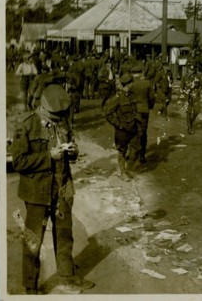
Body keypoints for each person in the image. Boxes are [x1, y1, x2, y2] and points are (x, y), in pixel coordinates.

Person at [11, 84, 95, 294]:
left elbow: (69, 148)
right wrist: (48, 155)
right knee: (33, 241)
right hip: (37, 193)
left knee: (65, 236)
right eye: (54, 116)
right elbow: (19, 162)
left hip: (62, 189)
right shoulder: (26, 125)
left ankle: (67, 277)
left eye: (60, 116)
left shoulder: (62, 122)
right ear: (44, 107)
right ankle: (31, 286)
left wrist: (73, 152)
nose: (58, 119)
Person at [103, 73, 138, 182]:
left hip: (132, 127)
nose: (133, 84)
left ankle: (127, 169)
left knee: (135, 150)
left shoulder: (132, 95)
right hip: (122, 130)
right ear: (128, 84)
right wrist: (118, 124)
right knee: (122, 151)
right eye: (132, 83)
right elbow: (107, 112)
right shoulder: (117, 98)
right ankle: (123, 172)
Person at [130, 66, 155, 163]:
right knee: (143, 133)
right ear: (141, 73)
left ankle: (131, 152)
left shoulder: (130, 84)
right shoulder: (147, 83)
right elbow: (152, 98)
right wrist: (150, 106)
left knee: (132, 131)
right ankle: (142, 155)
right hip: (144, 110)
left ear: (132, 73)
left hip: (132, 111)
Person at [180, 62, 202, 135]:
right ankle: (189, 128)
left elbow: (201, 85)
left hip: (195, 96)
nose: (191, 71)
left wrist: (198, 91)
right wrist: (183, 95)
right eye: (190, 70)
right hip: (187, 97)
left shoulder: (197, 77)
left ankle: (191, 122)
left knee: (196, 111)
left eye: (193, 70)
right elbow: (181, 87)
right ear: (188, 70)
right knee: (188, 113)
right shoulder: (185, 77)